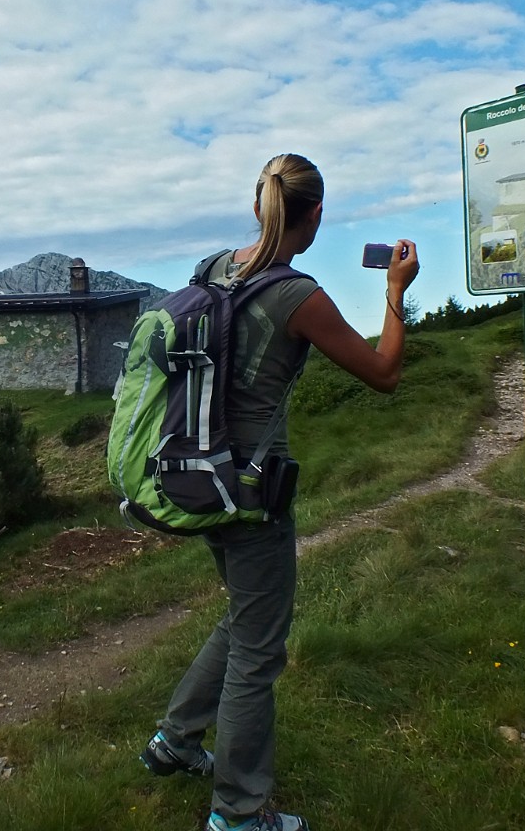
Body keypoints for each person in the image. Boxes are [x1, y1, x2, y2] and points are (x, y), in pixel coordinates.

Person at [138, 152, 420, 831]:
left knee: (244, 616)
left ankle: (175, 742)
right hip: (256, 490)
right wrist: (395, 291)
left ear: (258, 205)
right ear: (315, 215)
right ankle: (238, 811)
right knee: (259, 649)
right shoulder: (300, 295)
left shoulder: (211, 269)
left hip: (195, 471)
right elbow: (383, 373)